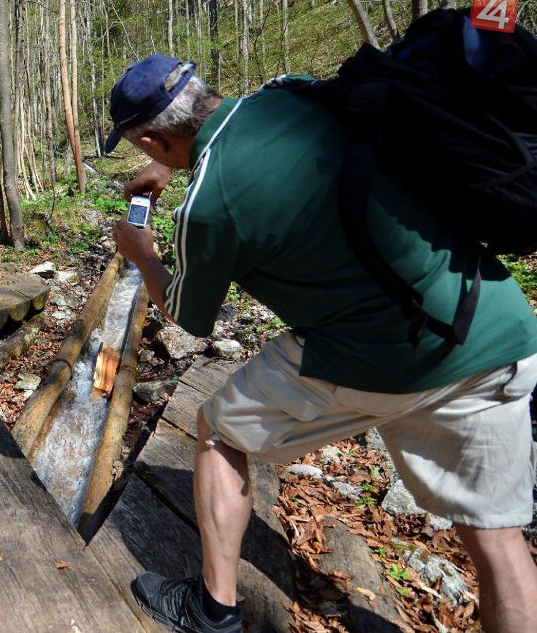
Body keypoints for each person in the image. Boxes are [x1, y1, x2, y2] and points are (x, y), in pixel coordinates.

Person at [106, 54, 537, 633]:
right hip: (491, 327)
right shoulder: (294, 93)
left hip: (378, 356)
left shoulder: (208, 206)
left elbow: (189, 316)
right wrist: (174, 165)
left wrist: (144, 255)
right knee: (497, 535)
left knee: (218, 430)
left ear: (153, 140)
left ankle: (214, 609)